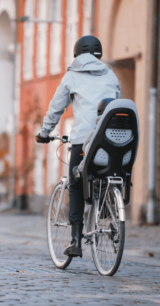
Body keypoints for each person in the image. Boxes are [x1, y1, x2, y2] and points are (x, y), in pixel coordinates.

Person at [35, 35, 121, 257]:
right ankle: (111, 212)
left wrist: (44, 132)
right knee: (110, 173)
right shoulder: (111, 75)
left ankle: (76, 242)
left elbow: (56, 108)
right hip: (111, 140)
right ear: (99, 54)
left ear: (77, 54)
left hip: (84, 141)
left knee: (75, 184)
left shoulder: (71, 76)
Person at [72, 98, 115, 179]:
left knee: (89, 147)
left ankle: (79, 170)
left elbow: (85, 146)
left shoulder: (97, 131)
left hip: (99, 160)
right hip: (120, 161)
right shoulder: (124, 129)